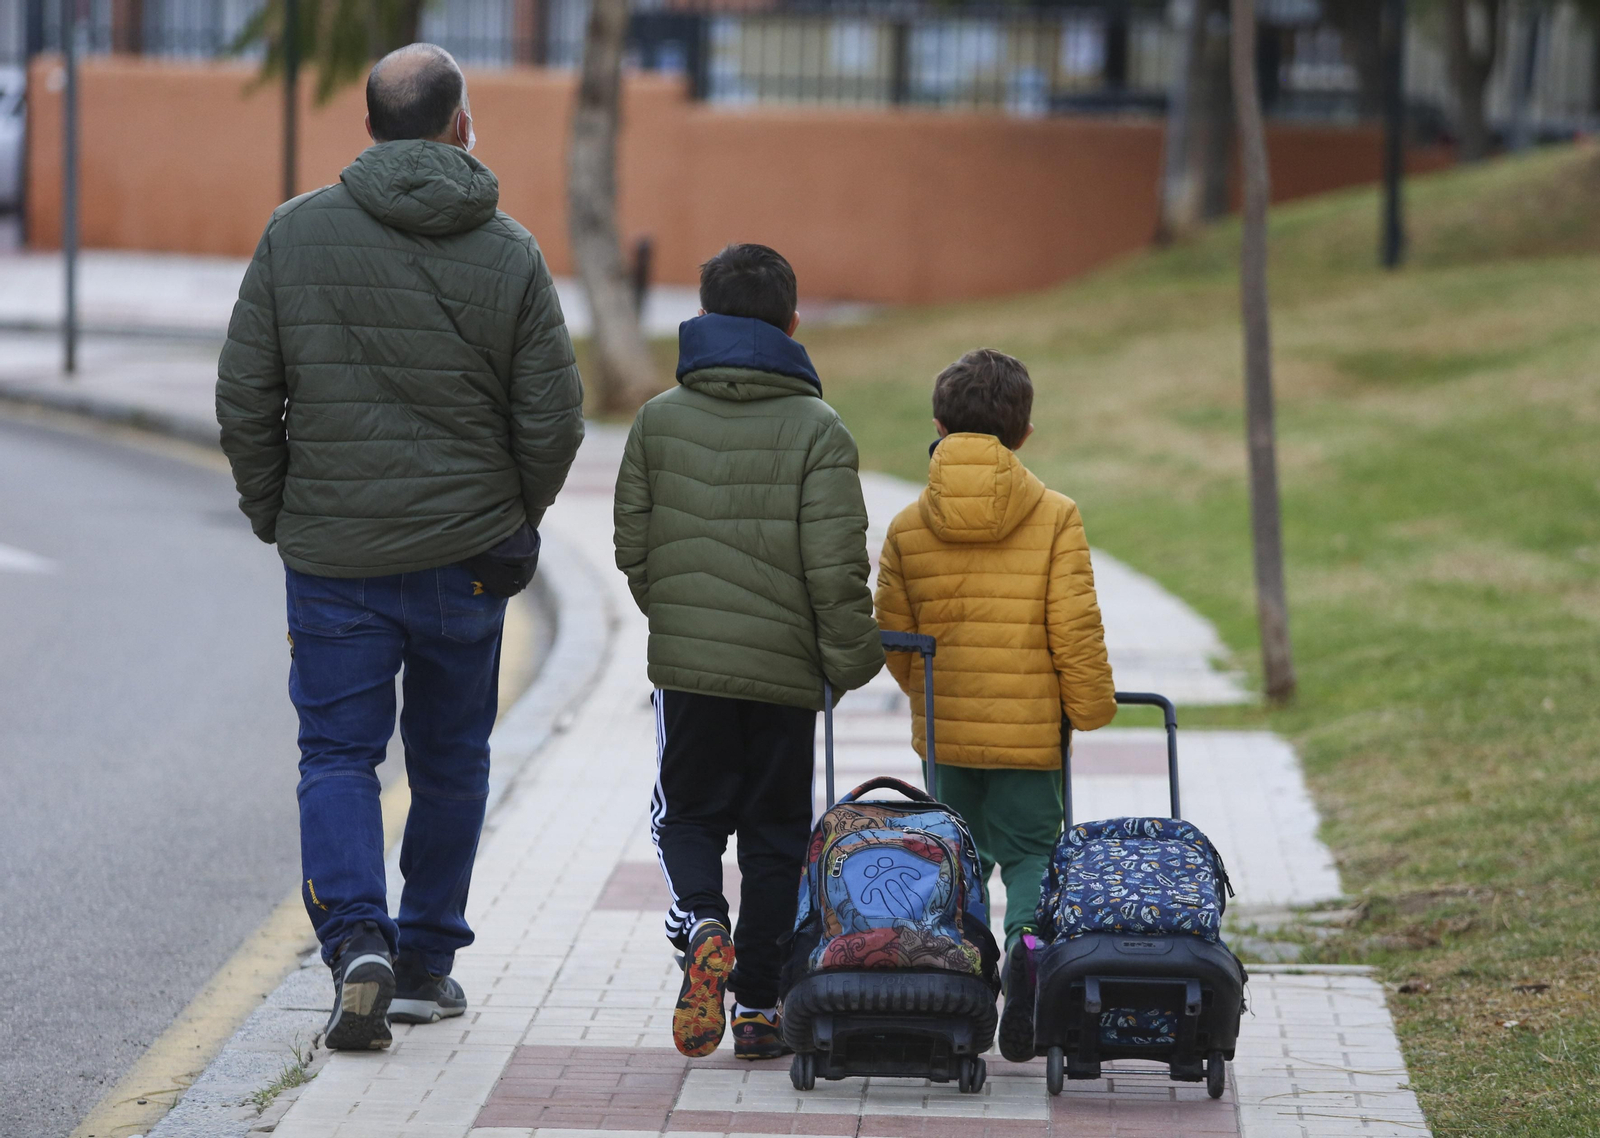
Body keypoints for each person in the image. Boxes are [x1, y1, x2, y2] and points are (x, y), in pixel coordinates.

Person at [216, 43, 583, 1051]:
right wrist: (518, 517)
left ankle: (355, 944)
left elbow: (245, 396)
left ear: (370, 126)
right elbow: (552, 420)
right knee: (452, 758)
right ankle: (423, 963)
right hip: (467, 557)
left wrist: (279, 514)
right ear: (460, 123)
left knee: (337, 752)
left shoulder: (295, 235)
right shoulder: (508, 250)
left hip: (335, 560)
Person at [614, 244, 883, 1060]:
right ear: (793, 324)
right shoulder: (820, 430)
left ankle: (701, 922)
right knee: (774, 837)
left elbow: (633, 546)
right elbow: (837, 569)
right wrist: (851, 662)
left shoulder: (659, 419)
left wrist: (682, 619)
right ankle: (760, 1006)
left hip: (689, 673)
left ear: (701, 315)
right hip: (784, 678)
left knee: (687, 817)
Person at [873, 347, 1116, 1063]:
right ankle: (1031, 954)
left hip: (948, 736)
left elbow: (893, 633)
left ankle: (958, 989)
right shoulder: (1056, 516)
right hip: (1032, 734)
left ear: (939, 424)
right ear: (1025, 433)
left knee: (958, 861)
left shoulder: (908, 525)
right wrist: (1090, 708)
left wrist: (928, 698)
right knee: (1034, 854)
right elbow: (1074, 628)